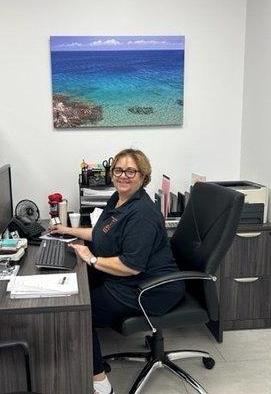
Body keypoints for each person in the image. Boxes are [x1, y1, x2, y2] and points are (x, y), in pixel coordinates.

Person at [50, 149, 184, 394]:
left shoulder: (142, 214)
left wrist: (91, 259)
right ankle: (83, 358)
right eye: (118, 170)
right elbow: (101, 233)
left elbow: (130, 266)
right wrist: (68, 231)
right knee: (74, 288)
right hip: (130, 279)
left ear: (144, 176)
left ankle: (100, 384)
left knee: (79, 313)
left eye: (131, 171)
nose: (123, 176)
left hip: (149, 288)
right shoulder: (118, 199)